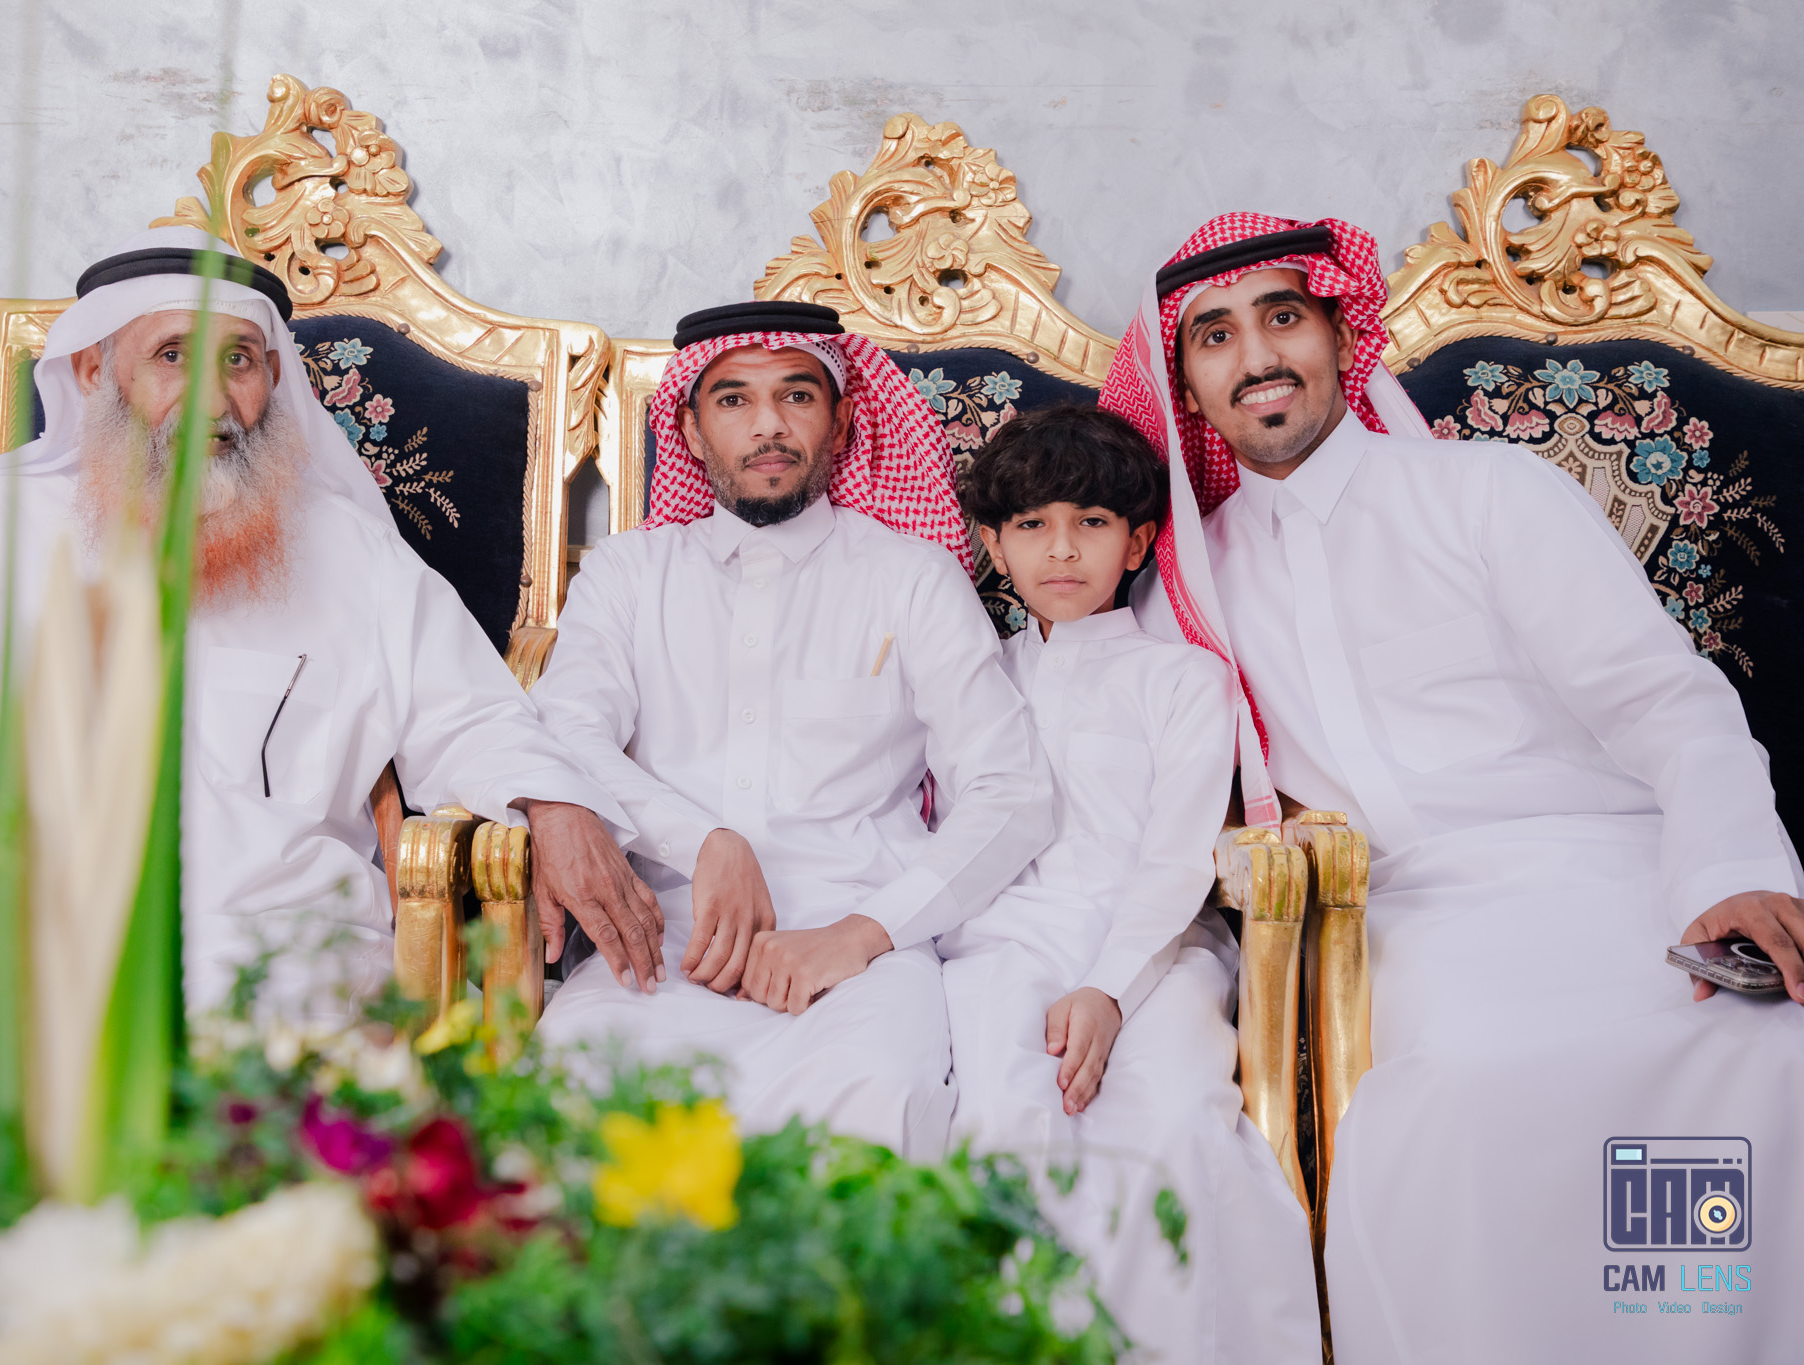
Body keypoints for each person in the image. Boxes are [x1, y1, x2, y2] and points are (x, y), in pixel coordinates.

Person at [1101, 211, 1804, 1364]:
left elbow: (1661, 699)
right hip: (1401, 915)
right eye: (1214, 336)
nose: (1256, 357)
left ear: (1341, 336)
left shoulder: (1486, 493)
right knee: (1463, 1093)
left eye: (1282, 317)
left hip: (1609, 869)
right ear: (1184, 386)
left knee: (1760, 1054)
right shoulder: (1184, 588)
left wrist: (1725, 870)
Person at [0, 226, 658, 1032]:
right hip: (24, 945)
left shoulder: (346, 547)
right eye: (172, 355)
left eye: (238, 359)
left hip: (278, 957)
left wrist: (552, 801)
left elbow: (471, 713)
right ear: (92, 372)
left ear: (271, 377)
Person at [529, 301, 1050, 1158]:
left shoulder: (912, 577)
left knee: (876, 1114)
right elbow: (565, 736)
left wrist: (863, 933)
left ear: (841, 423)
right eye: (733, 399)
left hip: (863, 960)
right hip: (658, 948)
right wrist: (705, 841)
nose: (767, 424)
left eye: (797, 395)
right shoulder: (627, 575)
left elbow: (1011, 790)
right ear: (689, 430)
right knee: (560, 1111)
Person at [941, 403, 1320, 1363]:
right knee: (1006, 1119)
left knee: (1178, 1124)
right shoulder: (974, 677)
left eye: (1093, 522)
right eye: (1032, 524)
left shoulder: (1185, 678)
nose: (1063, 549)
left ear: (1140, 541)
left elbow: (1176, 858)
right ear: (992, 544)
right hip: (1002, 943)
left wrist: (1107, 990)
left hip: (1161, 947)